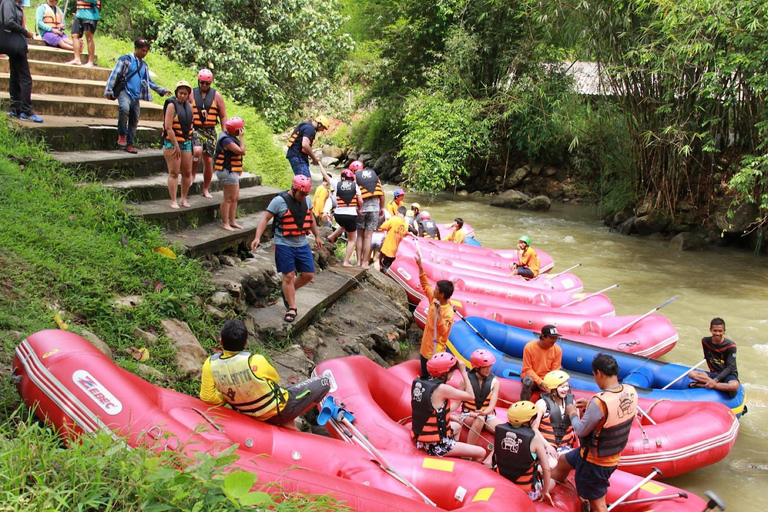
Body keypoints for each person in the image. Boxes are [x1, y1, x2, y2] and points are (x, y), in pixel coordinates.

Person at [200, 320, 330, 428]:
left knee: (289, 391)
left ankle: (290, 423)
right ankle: (295, 419)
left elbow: (207, 396)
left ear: (221, 341)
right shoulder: (255, 360)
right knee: (324, 382)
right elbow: (275, 378)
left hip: (245, 411)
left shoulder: (210, 364)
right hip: (278, 410)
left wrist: (227, 396)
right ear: (246, 342)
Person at [551, 354, 638, 512]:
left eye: (594, 376)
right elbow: (612, 409)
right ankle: (550, 492)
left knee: (598, 503)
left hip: (595, 462)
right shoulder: (630, 391)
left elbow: (580, 430)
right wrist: (591, 404)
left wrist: (572, 413)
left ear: (599, 373)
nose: (595, 380)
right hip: (602, 454)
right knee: (564, 461)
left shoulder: (600, 402)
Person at [251, 175, 324, 323]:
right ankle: (292, 307)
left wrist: (317, 235)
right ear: (293, 189)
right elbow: (265, 219)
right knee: (289, 275)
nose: (303, 197)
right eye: (301, 193)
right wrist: (257, 237)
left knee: (308, 274)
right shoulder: (279, 201)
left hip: (302, 243)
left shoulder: (307, 200)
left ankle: (287, 291)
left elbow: (310, 219)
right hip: (284, 243)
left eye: (305, 194)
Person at [411, 352, 486, 462]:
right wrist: (464, 373)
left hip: (421, 439)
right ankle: (469, 467)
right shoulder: (442, 389)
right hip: (437, 446)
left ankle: (456, 459)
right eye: (453, 371)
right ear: (446, 372)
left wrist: (449, 416)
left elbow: (429, 409)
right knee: (481, 452)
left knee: (458, 426)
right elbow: (470, 396)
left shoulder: (420, 382)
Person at [105, 38, 170, 153]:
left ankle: (129, 143)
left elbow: (148, 81)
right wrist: (109, 90)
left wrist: (161, 90)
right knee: (124, 108)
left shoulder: (144, 65)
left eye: (146, 51)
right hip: (124, 91)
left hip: (136, 95)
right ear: (136, 48)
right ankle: (122, 134)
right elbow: (114, 75)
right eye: (142, 51)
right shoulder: (125, 60)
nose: (144, 53)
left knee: (134, 119)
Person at [492, 401, 554, 505]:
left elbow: (496, 456)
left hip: (502, 484)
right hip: (525, 491)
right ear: (528, 421)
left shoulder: (500, 431)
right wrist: (546, 491)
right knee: (553, 482)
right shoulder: (534, 439)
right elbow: (546, 469)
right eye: (534, 418)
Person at [1, 0, 43, 122]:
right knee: (25, 78)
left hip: (14, 45)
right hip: (15, 45)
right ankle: (26, 110)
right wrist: (25, 31)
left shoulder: (14, 4)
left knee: (15, 76)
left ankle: (16, 108)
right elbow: (8, 21)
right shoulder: (8, 2)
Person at [415, 252, 455, 377]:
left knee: (432, 382)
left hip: (435, 353)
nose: (434, 290)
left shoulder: (448, 312)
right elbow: (425, 285)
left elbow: (443, 331)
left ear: (442, 294)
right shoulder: (434, 299)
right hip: (424, 350)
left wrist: (439, 315)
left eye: (436, 289)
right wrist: (420, 266)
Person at [190, 68, 227, 199]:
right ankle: (192, 173)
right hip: (196, 128)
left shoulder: (216, 96)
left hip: (210, 130)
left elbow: (223, 116)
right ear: (198, 82)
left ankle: (206, 188)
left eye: (207, 84)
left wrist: (225, 133)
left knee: (209, 160)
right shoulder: (192, 94)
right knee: (197, 151)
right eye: (202, 83)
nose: (204, 86)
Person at [459, 349, 502, 447]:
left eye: (490, 366)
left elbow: (491, 406)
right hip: (468, 415)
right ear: (477, 367)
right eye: (485, 367)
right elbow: (456, 403)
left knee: (506, 432)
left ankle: (490, 460)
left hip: (488, 416)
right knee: (480, 419)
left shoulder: (495, 382)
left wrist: (484, 412)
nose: (488, 369)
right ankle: (468, 452)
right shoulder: (465, 381)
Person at [687, 318, 740, 397]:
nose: (717, 333)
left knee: (734, 386)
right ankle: (720, 387)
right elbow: (707, 357)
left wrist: (715, 381)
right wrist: (713, 379)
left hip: (728, 375)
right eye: (715, 331)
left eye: (720, 331)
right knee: (691, 374)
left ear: (724, 331)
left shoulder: (731, 346)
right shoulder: (705, 341)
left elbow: (730, 367)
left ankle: (702, 385)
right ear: (710, 330)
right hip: (713, 374)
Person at [162, 81, 194, 210]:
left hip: (186, 141)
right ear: (176, 93)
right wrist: (176, 145)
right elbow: (169, 127)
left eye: (185, 94)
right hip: (172, 142)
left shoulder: (190, 107)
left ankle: (184, 198)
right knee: (174, 172)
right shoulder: (171, 105)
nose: (182, 96)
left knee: (187, 172)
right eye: (180, 93)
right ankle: (173, 200)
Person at [533, 370, 577, 464]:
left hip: (565, 447)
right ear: (552, 389)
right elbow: (534, 428)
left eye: (566, 386)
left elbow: (577, 427)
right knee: (552, 464)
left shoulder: (572, 403)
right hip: (546, 445)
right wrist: (547, 446)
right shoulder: (542, 404)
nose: (565, 389)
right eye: (562, 387)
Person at [323, 168, 363, 267]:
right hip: (350, 215)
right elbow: (361, 201)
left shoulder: (337, 184)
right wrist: (359, 209)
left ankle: (332, 236)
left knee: (345, 226)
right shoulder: (355, 186)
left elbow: (326, 176)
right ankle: (346, 262)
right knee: (351, 240)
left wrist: (319, 164)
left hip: (338, 215)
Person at [214, 117, 247, 230]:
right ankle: (225, 223)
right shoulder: (226, 140)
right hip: (226, 171)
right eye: (240, 129)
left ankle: (232, 221)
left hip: (232, 171)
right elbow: (242, 151)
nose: (241, 130)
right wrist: (242, 138)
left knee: (235, 197)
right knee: (228, 198)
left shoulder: (230, 137)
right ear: (235, 130)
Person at [354, 163, 385, 270]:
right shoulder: (375, 177)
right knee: (368, 237)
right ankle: (365, 263)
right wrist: (382, 208)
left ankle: (358, 261)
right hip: (374, 209)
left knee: (360, 235)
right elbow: (382, 194)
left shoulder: (356, 178)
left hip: (361, 209)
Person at [520, 325, 563, 401]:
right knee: (528, 381)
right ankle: (524, 404)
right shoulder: (529, 347)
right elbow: (527, 369)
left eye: (555, 338)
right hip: (532, 378)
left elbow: (555, 371)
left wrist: (549, 383)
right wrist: (540, 382)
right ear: (543, 336)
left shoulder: (557, 350)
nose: (554, 340)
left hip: (547, 379)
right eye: (551, 338)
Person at [66, 0, 98, 67]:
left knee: (89, 37)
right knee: (74, 34)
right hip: (79, 14)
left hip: (90, 14)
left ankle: (90, 61)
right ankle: (77, 59)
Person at [378, 205, 408, 272]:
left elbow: (381, 227)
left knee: (380, 264)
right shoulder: (406, 224)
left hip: (386, 250)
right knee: (387, 266)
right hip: (395, 252)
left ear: (397, 212)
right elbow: (405, 233)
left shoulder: (394, 219)